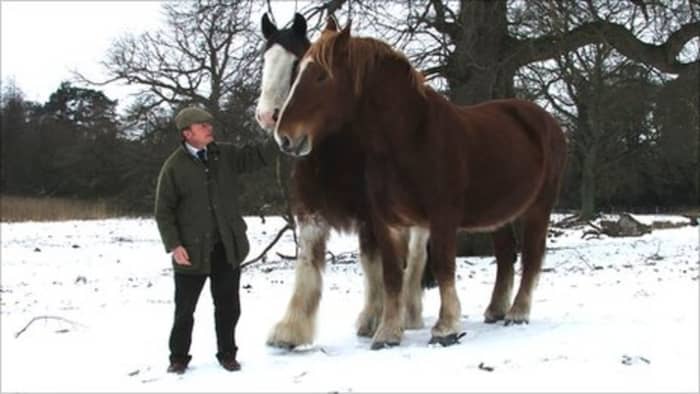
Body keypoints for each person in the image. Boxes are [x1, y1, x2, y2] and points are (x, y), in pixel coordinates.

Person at [154, 106, 277, 374]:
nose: (210, 128)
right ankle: (178, 358)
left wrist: (280, 132)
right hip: (191, 251)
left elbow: (258, 155)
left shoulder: (226, 155)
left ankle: (227, 354)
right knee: (184, 310)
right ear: (187, 133)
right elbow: (163, 211)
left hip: (227, 246)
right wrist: (174, 245)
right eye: (202, 126)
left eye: (209, 124)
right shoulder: (174, 167)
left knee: (228, 306)